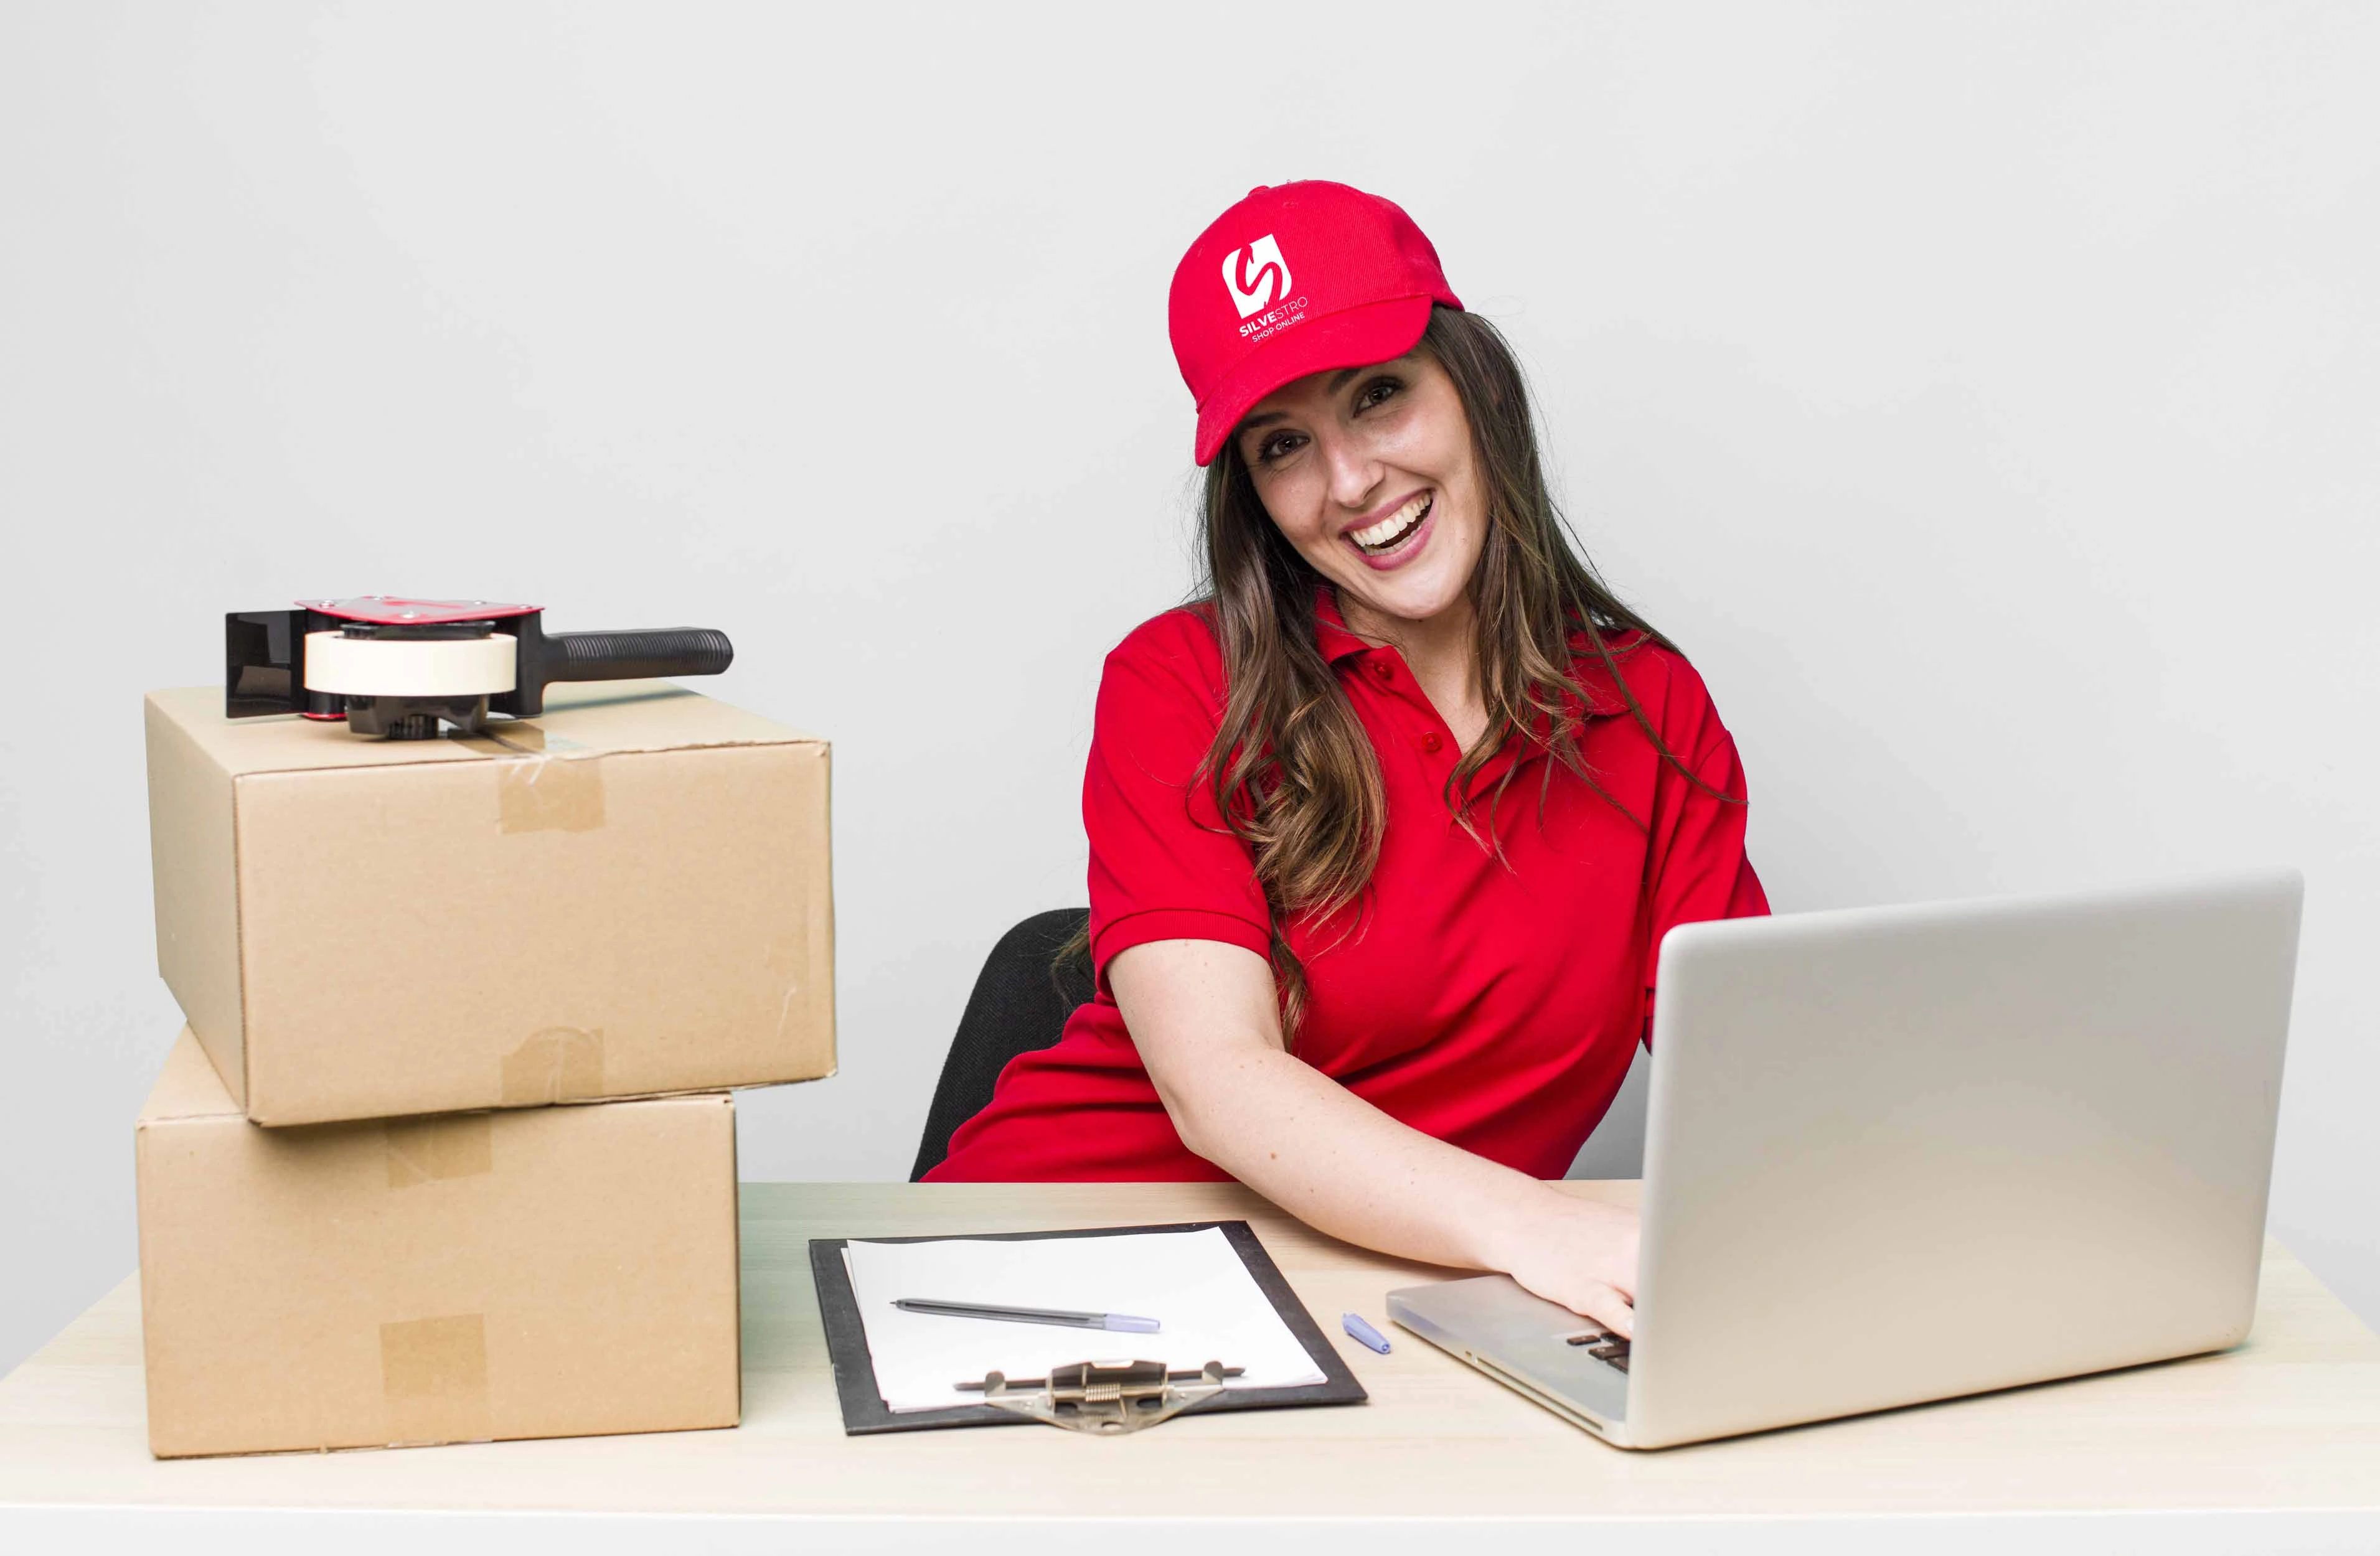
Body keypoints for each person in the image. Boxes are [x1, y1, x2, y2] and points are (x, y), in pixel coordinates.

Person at [927, 181, 1767, 1338]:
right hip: (1045, 1272)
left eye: (1379, 397)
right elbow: (1215, 1084)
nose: (1351, 483)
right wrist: (1534, 1226)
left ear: (1476, 390)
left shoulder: (1650, 712)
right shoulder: (1181, 684)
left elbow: (1757, 1079)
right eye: (1285, 446)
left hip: (1387, 1308)